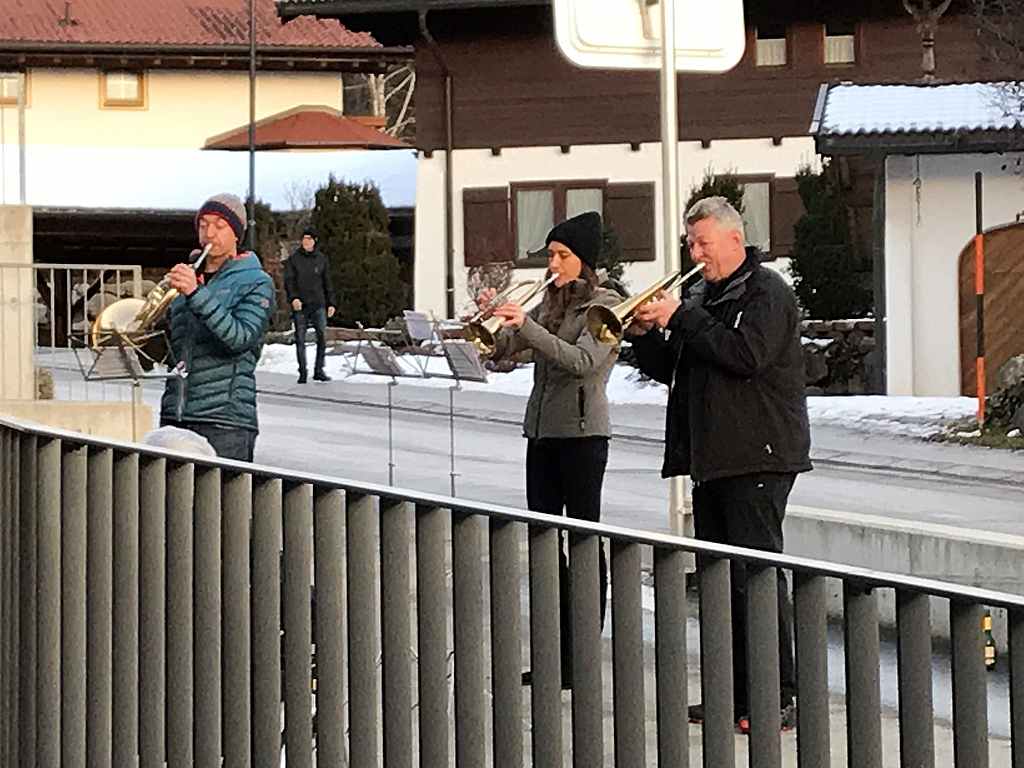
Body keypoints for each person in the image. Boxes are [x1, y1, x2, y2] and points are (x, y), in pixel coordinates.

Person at [630, 196, 811, 732]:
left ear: (735, 240)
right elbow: (678, 369)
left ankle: (778, 695)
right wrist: (645, 334)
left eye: (703, 242)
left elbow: (745, 356)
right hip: (711, 456)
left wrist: (682, 316)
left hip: (760, 453)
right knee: (719, 580)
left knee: (756, 577)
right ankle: (732, 694)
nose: (696, 252)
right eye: (691, 243)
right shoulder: (701, 294)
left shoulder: (766, 293)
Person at [480, 210, 622, 689]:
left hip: (582, 437)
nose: (553, 264)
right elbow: (514, 353)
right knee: (545, 546)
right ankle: (550, 657)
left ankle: (581, 656)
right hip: (541, 434)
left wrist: (529, 327)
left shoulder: (606, 306)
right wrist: (494, 334)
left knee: (582, 546)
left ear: (584, 259)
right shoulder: (550, 303)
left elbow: (581, 361)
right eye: (551, 255)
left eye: (562, 255)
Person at [160, 193, 275, 462]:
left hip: (224, 422)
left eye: (219, 226)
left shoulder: (258, 282)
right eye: (203, 224)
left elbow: (238, 339)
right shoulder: (188, 279)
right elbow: (173, 351)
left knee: (222, 504)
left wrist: (195, 293)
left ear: (236, 234)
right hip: (175, 415)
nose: (209, 232)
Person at [284, 227, 336, 384]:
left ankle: (319, 370)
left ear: (314, 241)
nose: (306, 242)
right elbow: (289, 281)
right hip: (301, 304)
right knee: (300, 338)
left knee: (321, 337)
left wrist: (331, 302)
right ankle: (302, 372)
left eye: (309, 239)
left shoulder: (321, 259)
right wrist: (294, 298)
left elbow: (327, 282)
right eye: (304, 239)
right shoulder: (294, 259)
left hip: (318, 303)